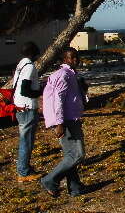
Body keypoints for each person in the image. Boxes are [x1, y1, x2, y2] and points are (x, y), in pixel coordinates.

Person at [40, 47, 87, 197]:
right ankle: (50, 180)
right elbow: (57, 101)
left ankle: (75, 187)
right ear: (64, 59)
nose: (75, 60)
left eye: (76, 57)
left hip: (71, 118)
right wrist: (59, 123)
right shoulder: (63, 75)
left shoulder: (70, 74)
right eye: (71, 58)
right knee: (78, 154)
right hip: (66, 120)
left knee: (70, 155)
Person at [12, 41, 42, 183]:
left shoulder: (21, 64)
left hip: (19, 105)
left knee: (26, 139)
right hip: (27, 107)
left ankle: (25, 168)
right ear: (33, 53)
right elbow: (26, 90)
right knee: (26, 141)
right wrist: (40, 91)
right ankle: (23, 172)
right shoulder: (29, 67)